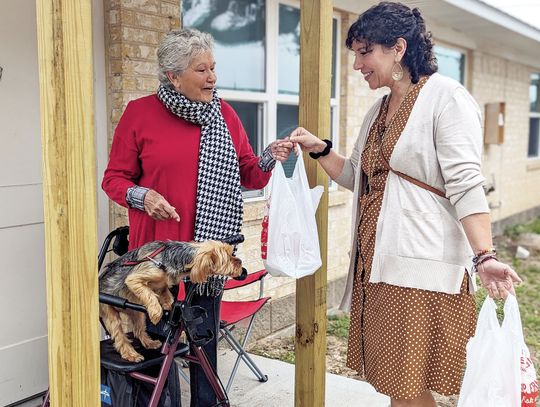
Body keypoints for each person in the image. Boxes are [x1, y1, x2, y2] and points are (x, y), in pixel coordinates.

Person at [289, 2, 521, 406]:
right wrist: (320, 149)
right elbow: (357, 177)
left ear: (398, 48)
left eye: (365, 52)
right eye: (356, 54)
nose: (358, 64)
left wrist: (485, 256)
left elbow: (467, 183)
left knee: (407, 386)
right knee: (398, 383)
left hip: (420, 267)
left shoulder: (446, 98)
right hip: (379, 264)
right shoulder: (377, 110)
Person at [102, 28, 292, 407]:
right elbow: (114, 179)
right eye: (201, 70)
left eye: (213, 68)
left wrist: (272, 153)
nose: (212, 78)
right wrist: (143, 196)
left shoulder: (223, 113)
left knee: (203, 341)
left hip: (209, 256)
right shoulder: (139, 114)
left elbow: (249, 173)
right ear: (173, 76)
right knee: (152, 338)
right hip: (157, 261)